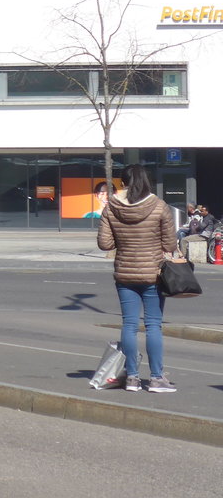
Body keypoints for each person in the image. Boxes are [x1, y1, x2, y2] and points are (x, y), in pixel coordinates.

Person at [96, 164, 179, 393]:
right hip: (153, 274)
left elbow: (105, 244)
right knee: (153, 325)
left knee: (129, 325)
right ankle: (156, 378)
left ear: (122, 183)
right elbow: (170, 244)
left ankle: (131, 377)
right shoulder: (159, 206)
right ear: (146, 181)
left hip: (124, 273)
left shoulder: (111, 206)